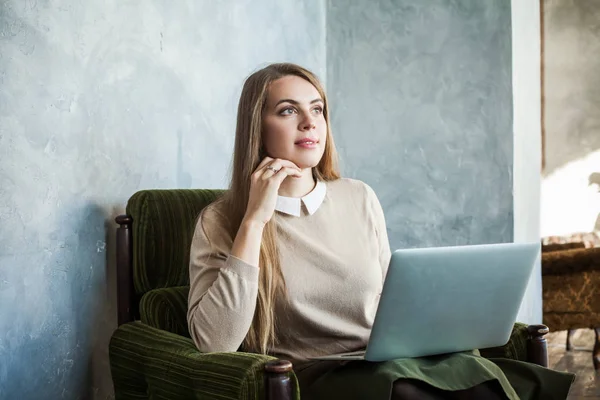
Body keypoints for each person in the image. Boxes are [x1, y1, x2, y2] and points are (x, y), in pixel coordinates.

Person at [187, 63, 574, 399]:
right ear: (258, 126)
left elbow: (394, 300)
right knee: (409, 392)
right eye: (288, 111)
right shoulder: (220, 220)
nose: (309, 122)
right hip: (318, 374)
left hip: (389, 359)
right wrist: (254, 221)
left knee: (478, 383)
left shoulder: (359, 197)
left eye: (317, 110)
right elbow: (215, 343)